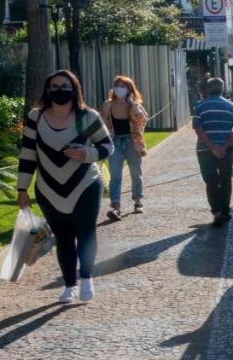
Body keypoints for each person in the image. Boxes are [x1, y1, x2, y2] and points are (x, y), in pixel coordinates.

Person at [16, 69, 113, 304]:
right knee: (63, 237)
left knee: (86, 232)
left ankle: (87, 278)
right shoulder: (36, 118)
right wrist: (22, 189)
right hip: (48, 189)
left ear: (74, 88)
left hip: (85, 186)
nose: (60, 90)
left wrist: (87, 153)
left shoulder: (86, 118)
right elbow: (28, 154)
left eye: (64, 85)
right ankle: (70, 284)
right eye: (54, 86)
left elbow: (107, 146)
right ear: (47, 90)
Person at [193, 77, 233, 227]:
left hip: (204, 150)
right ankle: (225, 211)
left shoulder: (199, 106)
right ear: (223, 89)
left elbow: (198, 128)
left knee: (211, 181)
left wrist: (211, 147)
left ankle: (217, 211)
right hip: (226, 150)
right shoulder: (230, 106)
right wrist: (225, 146)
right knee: (225, 180)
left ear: (207, 89)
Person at [99, 75, 149, 219]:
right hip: (114, 142)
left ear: (129, 89)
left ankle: (138, 202)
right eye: (117, 85)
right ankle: (115, 206)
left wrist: (133, 104)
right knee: (115, 175)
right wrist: (105, 110)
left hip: (132, 142)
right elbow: (101, 123)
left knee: (136, 172)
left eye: (124, 86)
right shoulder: (107, 104)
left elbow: (142, 120)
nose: (120, 88)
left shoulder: (135, 104)